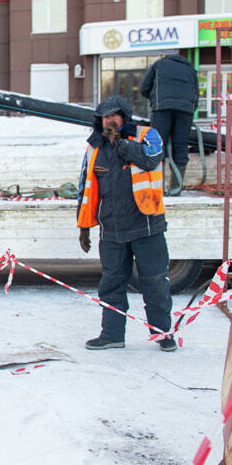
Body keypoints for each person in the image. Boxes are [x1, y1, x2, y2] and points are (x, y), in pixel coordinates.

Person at [76, 95, 175, 352]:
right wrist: (83, 226)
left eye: (114, 116)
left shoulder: (147, 135)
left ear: (125, 117)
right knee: (111, 285)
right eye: (105, 117)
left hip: (147, 226)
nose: (109, 121)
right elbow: (84, 187)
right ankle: (112, 335)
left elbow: (152, 158)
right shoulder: (94, 147)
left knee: (154, 282)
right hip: (112, 229)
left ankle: (163, 334)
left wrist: (123, 144)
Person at [139, 54, 199, 183]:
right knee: (181, 146)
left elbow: (143, 88)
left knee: (157, 144)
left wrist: (155, 99)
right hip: (185, 111)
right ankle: (176, 186)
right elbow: (196, 94)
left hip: (162, 108)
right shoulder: (191, 70)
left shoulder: (159, 64)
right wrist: (189, 111)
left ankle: (157, 184)